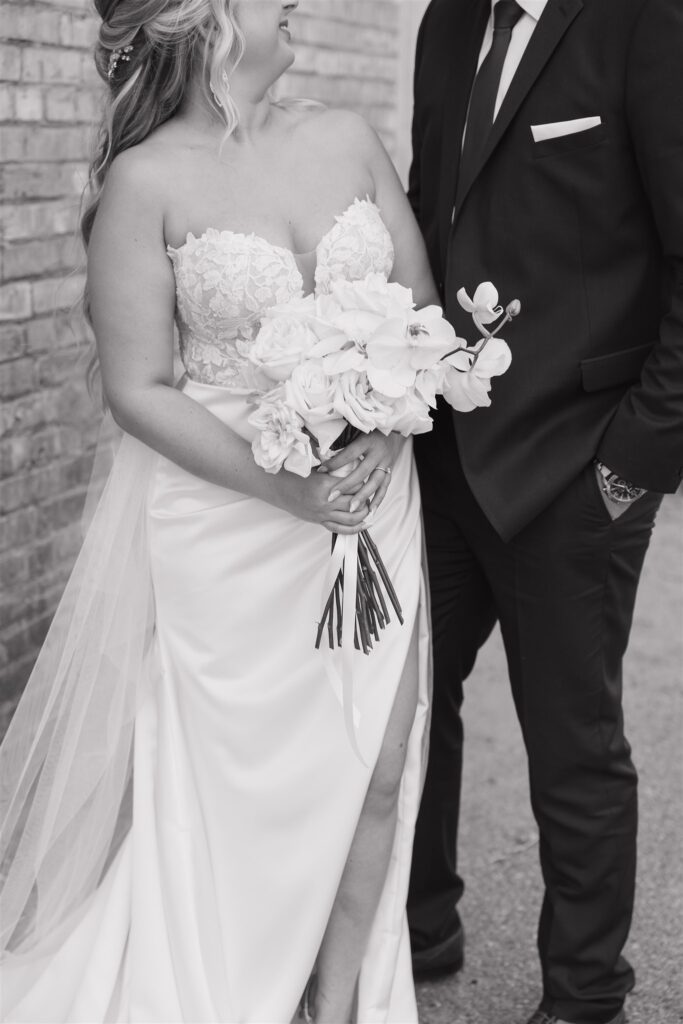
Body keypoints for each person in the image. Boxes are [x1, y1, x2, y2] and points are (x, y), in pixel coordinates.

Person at [0, 2, 442, 1021]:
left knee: (376, 764)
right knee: (239, 785)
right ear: (200, 18)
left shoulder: (343, 137)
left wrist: (384, 427)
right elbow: (140, 387)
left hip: (370, 497)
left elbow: (419, 309)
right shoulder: (145, 182)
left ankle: (334, 1005)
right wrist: (285, 485)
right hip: (230, 520)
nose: (295, 3)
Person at [406, 1, 683, 1023]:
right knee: (409, 705)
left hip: (579, 461)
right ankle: (420, 927)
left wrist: (632, 464)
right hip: (439, 450)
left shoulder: (644, 21)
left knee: (571, 742)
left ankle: (584, 990)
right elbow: (431, 205)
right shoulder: (445, 22)